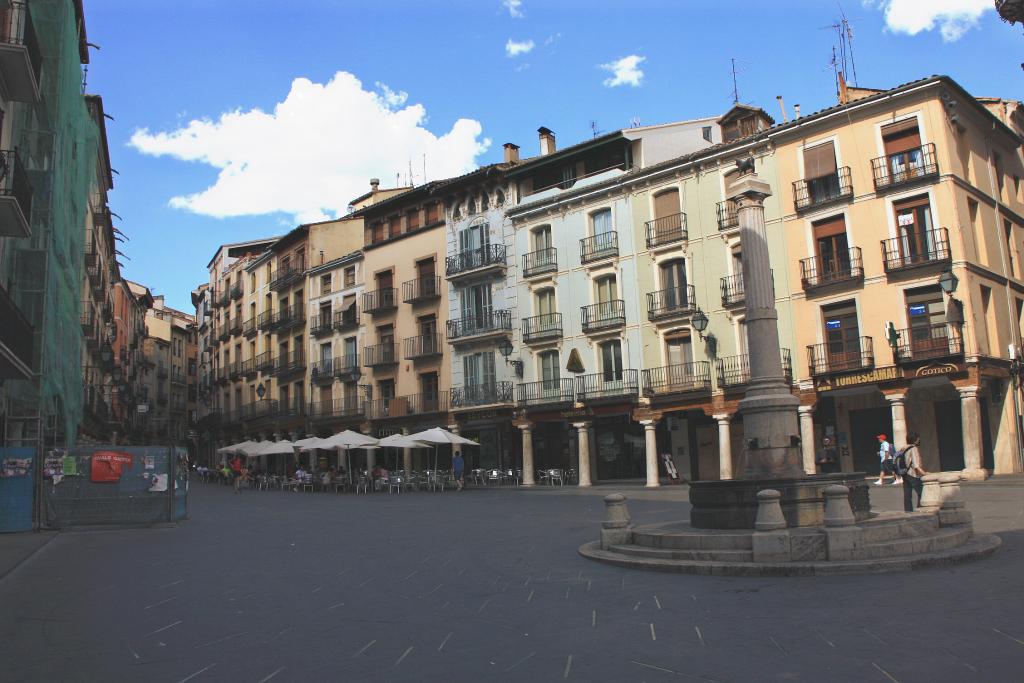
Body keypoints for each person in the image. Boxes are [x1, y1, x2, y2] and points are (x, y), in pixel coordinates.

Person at [899, 432, 927, 511]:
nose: (919, 440)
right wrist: (924, 473)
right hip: (912, 474)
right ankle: (921, 508)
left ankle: (908, 511)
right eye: (918, 438)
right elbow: (916, 465)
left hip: (904, 473)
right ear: (915, 440)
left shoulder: (903, 448)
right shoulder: (913, 448)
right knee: (922, 492)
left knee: (907, 494)